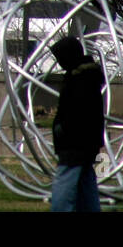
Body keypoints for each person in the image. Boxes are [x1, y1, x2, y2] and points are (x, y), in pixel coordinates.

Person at [49, 35, 105, 212]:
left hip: (74, 142)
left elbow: (76, 111)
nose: (59, 63)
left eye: (60, 58)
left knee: (65, 183)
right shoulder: (88, 77)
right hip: (87, 142)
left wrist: (63, 129)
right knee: (85, 182)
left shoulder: (80, 79)